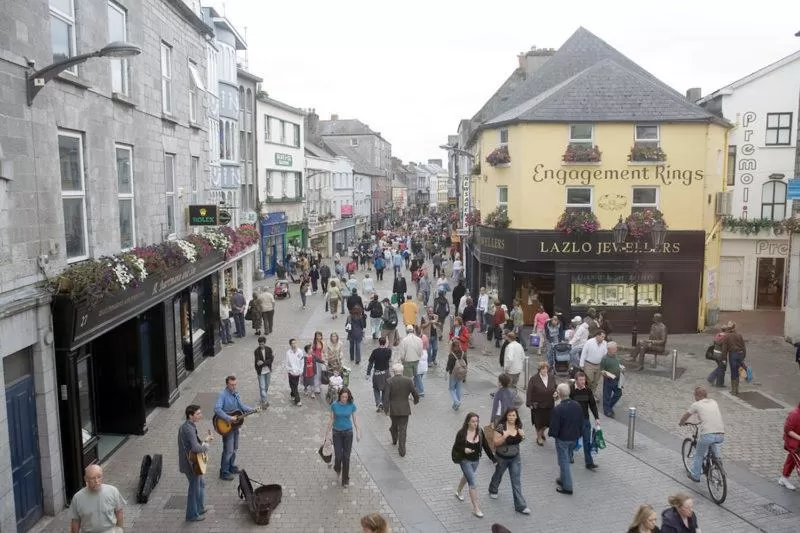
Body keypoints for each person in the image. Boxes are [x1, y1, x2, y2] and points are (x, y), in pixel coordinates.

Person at [452, 412, 496, 518]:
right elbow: (456, 447)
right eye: (473, 421)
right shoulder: (462, 433)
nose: (475, 423)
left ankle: (458, 491)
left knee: (467, 477)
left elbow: (485, 445)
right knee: (472, 482)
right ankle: (476, 508)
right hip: (465, 460)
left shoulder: (480, 431)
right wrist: (464, 449)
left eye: (477, 421)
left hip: (476, 460)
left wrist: (493, 458)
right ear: (468, 422)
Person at [488, 407, 531, 515]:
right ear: (506, 416)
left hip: (515, 458)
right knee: (498, 474)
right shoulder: (501, 427)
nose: (512, 417)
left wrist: (523, 436)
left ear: (517, 416)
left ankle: (520, 506)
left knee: (516, 481)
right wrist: (504, 436)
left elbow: (519, 440)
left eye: (514, 415)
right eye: (510, 415)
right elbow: (495, 443)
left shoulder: (518, 426)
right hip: (502, 457)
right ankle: (493, 489)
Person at [679, 386, 724, 482]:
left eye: (694, 395)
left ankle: (695, 475)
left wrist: (681, 422)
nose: (694, 397)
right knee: (712, 443)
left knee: (699, 454)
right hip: (720, 434)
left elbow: (686, 415)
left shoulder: (696, 404)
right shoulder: (713, 402)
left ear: (698, 396)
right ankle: (717, 462)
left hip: (708, 435)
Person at [214, 376, 256, 480]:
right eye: (232, 385)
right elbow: (217, 409)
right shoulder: (222, 395)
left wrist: (253, 409)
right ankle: (223, 472)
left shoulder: (236, 394)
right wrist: (229, 418)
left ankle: (231, 466)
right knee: (228, 450)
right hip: (226, 427)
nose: (234, 387)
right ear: (227, 384)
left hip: (235, 426)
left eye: (235, 384)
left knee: (235, 448)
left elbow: (242, 407)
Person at [178, 404, 213, 522]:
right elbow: (195, 448)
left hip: (191, 462)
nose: (200, 416)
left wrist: (204, 441)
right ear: (190, 416)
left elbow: (193, 444)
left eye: (200, 413)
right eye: (197, 414)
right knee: (194, 489)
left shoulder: (188, 426)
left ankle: (200, 507)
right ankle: (191, 515)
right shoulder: (189, 429)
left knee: (201, 484)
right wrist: (206, 446)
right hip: (191, 464)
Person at [549, 382, 583, 495]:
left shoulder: (558, 409)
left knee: (564, 462)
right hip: (574, 437)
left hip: (562, 438)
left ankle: (567, 486)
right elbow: (580, 421)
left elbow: (554, 425)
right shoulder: (577, 405)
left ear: (558, 393)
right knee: (566, 458)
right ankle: (562, 479)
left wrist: (552, 434)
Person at [70, 464, 125, 532]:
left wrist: (120, 529)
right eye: (92, 478)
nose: (96, 481)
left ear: (102, 476)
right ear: (86, 479)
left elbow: (119, 512)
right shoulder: (77, 498)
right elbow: (75, 521)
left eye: (99, 477)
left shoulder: (113, 491)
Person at [326, 387, 361, 487]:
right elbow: (332, 419)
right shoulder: (334, 405)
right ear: (339, 396)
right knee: (338, 455)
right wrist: (327, 433)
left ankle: (345, 480)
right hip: (336, 433)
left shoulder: (351, 405)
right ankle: (337, 468)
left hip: (348, 433)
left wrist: (358, 432)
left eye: (346, 397)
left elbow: (355, 420)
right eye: (343, 397)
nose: (344, 399)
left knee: (346, 457)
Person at [383, 362, 419, 457]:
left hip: (393, 409)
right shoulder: (408, 381)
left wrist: (386, 409)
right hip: (404, 409)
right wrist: (416, 400)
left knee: (394, 425)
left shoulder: (389, 381)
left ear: (394, 372)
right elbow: (415, 392)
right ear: (402, 371)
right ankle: (402, 450)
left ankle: (394, 438)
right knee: (403, 429)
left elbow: (386, 397)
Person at [569, 371, 600, 470]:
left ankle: (589, 462)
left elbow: (593, 405)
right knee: (573, 441)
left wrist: (597, 418)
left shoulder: (588, 391)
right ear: (576, 380)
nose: (583, 382)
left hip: (585, 420)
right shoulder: (571, 390)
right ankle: (569, 455)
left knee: (587, 442)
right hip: (574, 421)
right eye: (581, 380)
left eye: (584, 380)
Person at [527, 361, 557, 446]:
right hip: (538, 405)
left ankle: (541, 433)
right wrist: (529, 404)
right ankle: (539, 437)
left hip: (550, 404)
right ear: (539, 369)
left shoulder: (551, 377)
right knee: (538, 423)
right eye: (543, 368)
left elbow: (555, 387)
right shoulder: (534, 379)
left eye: (546, 368)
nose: (545, 370)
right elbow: (529, 392)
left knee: (549, 422)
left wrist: (556, 393)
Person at [366, 337, 393, 412]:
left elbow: (370, 363)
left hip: (377, 373)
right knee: (385, 389)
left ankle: (378, 403)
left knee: (376, 388)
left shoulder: (375, 351)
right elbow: (389, 360)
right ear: (385, 343)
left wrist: (368, 373)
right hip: (386, 373)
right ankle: (383, 403)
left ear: (379, 342)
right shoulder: (389, 351)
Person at [720, 321, 746, 396]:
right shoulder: (739, 335)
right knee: (738, 371)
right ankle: (737, 389)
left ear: (728, 328)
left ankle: (734, 390)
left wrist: (724, 359)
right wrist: (743, 356)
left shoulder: (726, 336)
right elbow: (744, 347)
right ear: (734, 327)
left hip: (733, 355)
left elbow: (724, 349)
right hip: (740, 354)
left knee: (733, 371)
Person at [779, 401, 800, 490]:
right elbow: (788, 430)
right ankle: (784, 478)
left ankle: (784, 478)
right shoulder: (794, 414)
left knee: (791, 460)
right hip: (793, 444)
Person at [579, 328, 607, 395]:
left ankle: (592, 394)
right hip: (589, 364)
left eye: (604, 337)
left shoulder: (605, 343)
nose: (603, 338)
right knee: (589, 381)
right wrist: (581, 364)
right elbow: (584, 353)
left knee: (596, 382)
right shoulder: (589, 342)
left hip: (599, 365)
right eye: (602, 336)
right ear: (597, 336)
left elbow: (605, 354)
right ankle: (586, 393)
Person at [600, 341, 623, 417]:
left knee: (619, 393)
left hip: (617, 379)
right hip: (609, 380)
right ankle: (607, 411)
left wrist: (622, 368)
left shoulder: (617, 357)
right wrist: (606, 375)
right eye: (615, 348)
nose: (616, 349)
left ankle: (609, 407)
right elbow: (602, 371)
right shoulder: (605, 359)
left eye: (616, 348)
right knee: (607, 395)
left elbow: (619, 365)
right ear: (609, 349)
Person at [447, 340, 468, 411]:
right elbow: (466, 363)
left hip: (453, 374)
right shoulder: (463, 353)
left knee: (451, 389)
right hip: (461, 374)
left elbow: (449, 366)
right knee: (458, 389)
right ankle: (456, 405)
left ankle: (456, 402)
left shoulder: (451, 355)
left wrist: (446, 372)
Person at [253, 336, 274, 408]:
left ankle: (262, 398)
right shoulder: (256, 351)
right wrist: (264, 362)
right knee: (262, 387)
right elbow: (257, 363)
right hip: (260, 372)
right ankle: (264, 401)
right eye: (260, 344)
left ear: (265, 343)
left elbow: (271, 360)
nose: (261, 345)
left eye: (262, 344)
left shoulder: (269, 349)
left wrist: (263, 363)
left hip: (268, 371)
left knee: (266, 386)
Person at [285, 339, 305, 407]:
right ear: (290, 344)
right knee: (293, 385)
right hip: (291, 372)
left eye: (295, 343)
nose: (294, 344)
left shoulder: (300, 351)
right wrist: (289, 370)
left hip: (298, 372)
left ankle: (292, 394)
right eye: (292, 343)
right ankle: (298, 400)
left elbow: (302, 362)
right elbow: (287, 363)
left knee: (295, 385)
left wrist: (301, 370)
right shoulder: (288, 353)